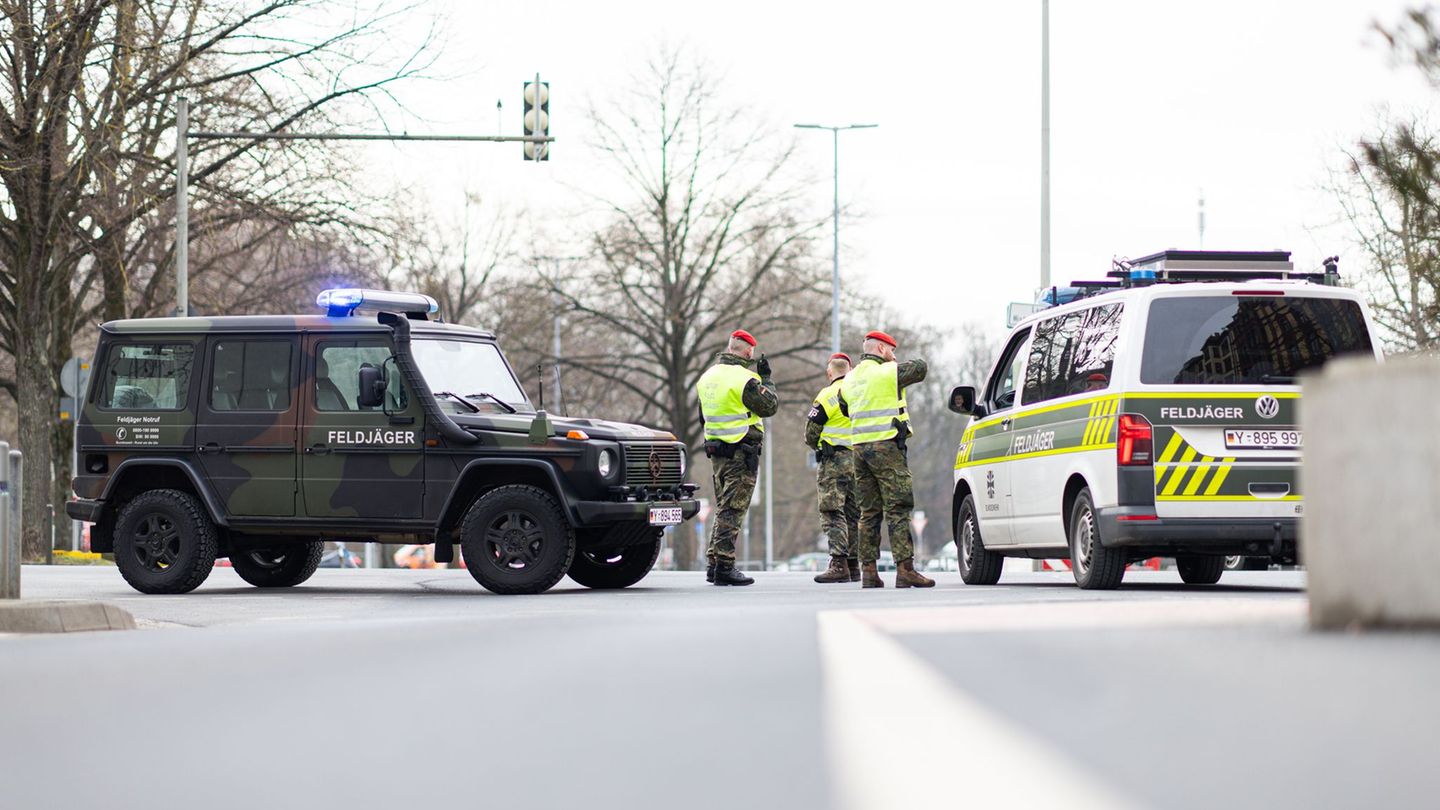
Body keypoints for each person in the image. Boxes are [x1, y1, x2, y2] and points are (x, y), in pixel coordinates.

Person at [839, 330, 935, 588]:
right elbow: (920, 367)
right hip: (886, 447)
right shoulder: (887, 372)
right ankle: (905, 569)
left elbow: (844, 408)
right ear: (882, 349)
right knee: (898, 508)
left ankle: (869, 572)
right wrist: (892, 363)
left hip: (859, 449)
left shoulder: (848, 379)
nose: (894, 356)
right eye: (892, 350)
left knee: (868, 512)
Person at [696, 329, 779, 586]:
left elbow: (703, 415)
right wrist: (766, 378)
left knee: (723, 506)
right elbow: (770, 406)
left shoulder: (707, 376)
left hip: (717, 450)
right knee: (733, 510)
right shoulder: (745, 379)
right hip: (742, 451)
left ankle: (713, 565)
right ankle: (725, 566)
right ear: (748, 352)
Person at [805, 353, 860, 583]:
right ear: (851, 369)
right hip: (859, 461)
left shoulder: (827, 395)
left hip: (834, 461)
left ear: (830, 372)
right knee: (853, 513)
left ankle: (838, 564)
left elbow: (810, 433)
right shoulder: (860, 393)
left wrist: (817, 445)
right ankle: (853, 565)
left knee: (832, 511)